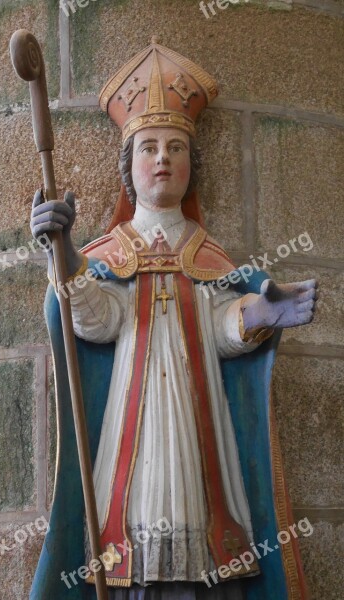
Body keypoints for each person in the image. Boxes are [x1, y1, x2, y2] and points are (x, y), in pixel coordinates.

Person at [29, 40, 316, 600]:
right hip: (132, 431)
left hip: (196, 423)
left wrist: (263, 310)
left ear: (191, 165)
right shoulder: (110, 252)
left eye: (177, 148)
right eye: (150, 148)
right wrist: (61, 250)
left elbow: (222, 327)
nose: (163, 158)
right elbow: (92, 319)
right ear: (128, 168)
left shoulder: (205, 253)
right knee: (130, 543)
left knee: (205, 533)